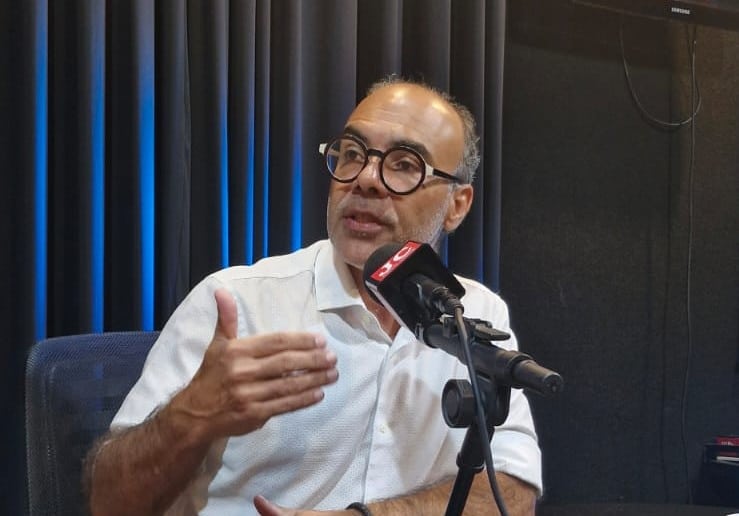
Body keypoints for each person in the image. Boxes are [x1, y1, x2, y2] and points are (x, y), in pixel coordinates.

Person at [86, 76, 542, 515]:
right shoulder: (236, 302)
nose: (366, 178)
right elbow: (108, 503)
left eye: (404, 164)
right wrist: (192, 415)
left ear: (457, 205)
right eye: (352, 154)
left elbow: (513, 495)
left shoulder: (476, 311)